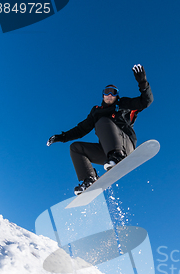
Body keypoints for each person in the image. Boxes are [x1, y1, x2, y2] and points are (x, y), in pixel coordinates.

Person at [47, 64, 153, 195]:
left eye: (113, 92)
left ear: (116, 96)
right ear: (102, 95)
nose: (109, 95)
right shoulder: (96, 111)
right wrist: (61, 137)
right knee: (75, 148)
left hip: (125, 146)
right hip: (107, 153)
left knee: (102, 121)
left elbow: (146, 101)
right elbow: (81, 129)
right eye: (106, 92)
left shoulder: (123, 104)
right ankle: (89, 179)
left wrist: (142, 82)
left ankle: (118, 155)